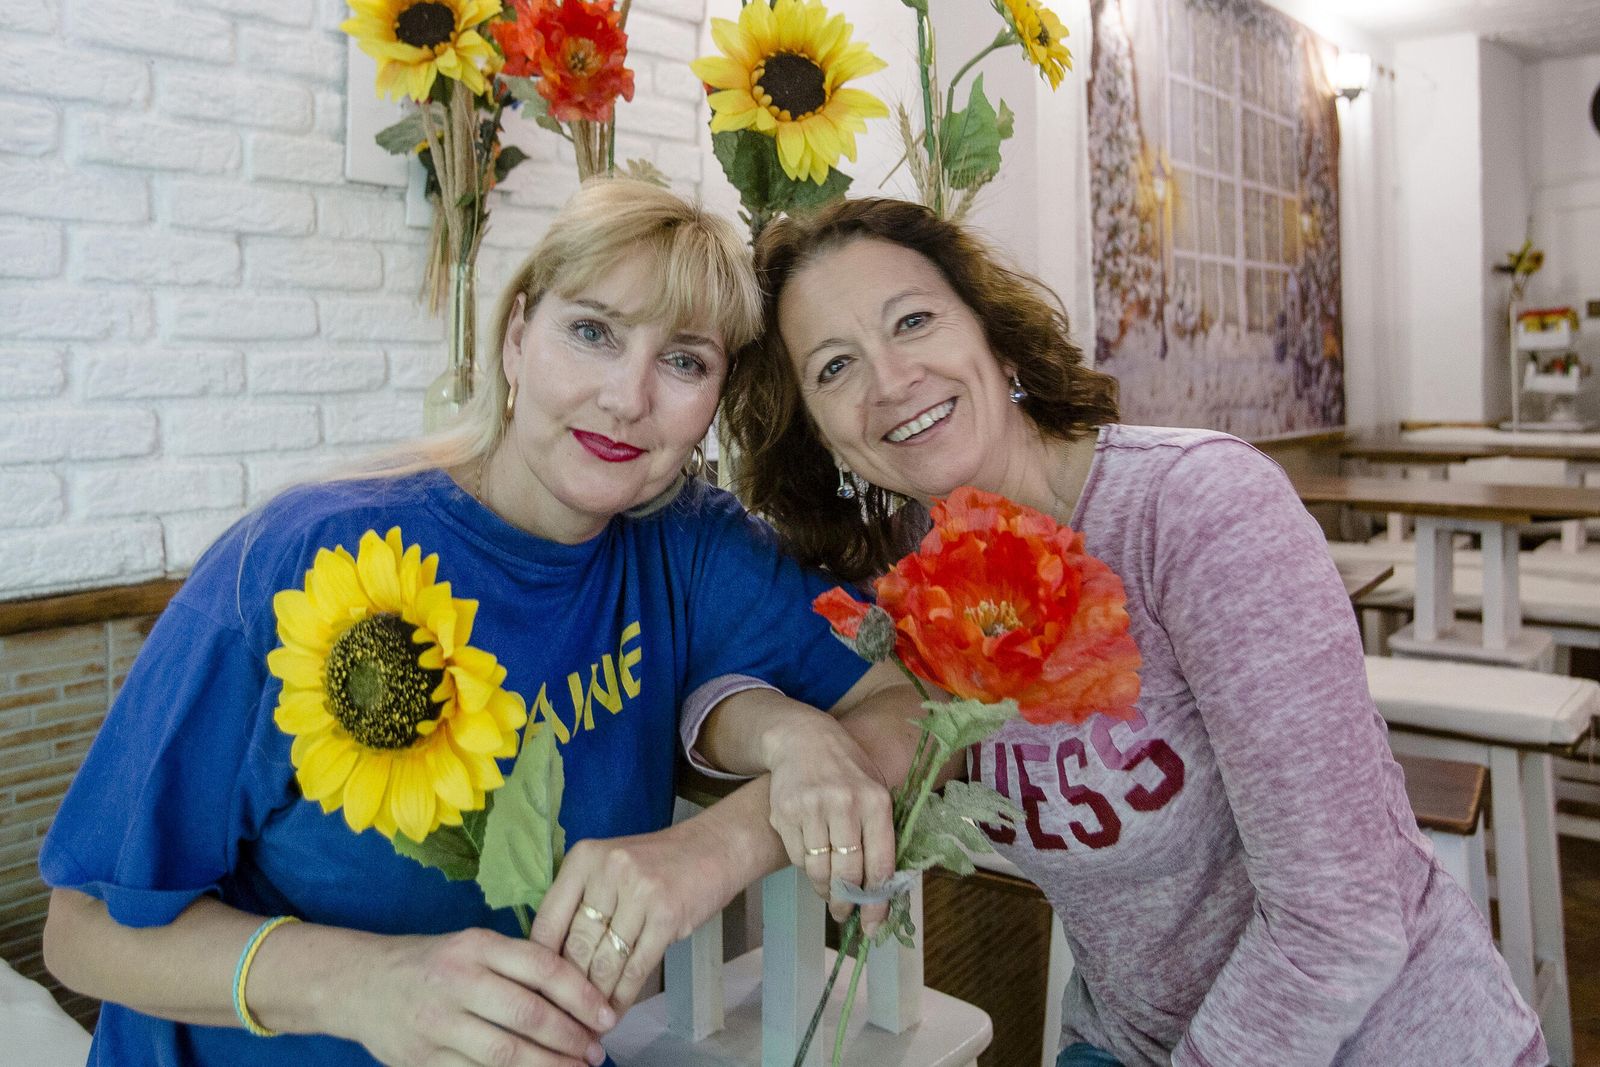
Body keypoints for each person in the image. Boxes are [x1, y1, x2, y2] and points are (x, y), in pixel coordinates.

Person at [38, 179, 903, 1067]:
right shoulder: (299, 556)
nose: (626, 397)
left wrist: (720, 841)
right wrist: (365, 983)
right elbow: (80, 930)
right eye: (592, 331)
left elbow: (903, 703)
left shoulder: (685, 545)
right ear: (519, 336)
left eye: (684, 361)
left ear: (715, 400)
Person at [714, 196, 1548, 1067]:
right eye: (835, 366)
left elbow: (1342, 922)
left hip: (1389, 1040)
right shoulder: (906, 581)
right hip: (1129, 1040)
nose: (888, 380)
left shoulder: (1194, 512)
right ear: (820, 431)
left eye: (914, 320)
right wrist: (787, 733)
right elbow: (716, 659)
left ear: (991, 333)